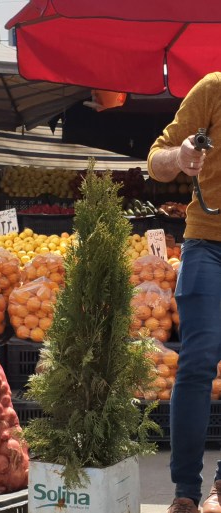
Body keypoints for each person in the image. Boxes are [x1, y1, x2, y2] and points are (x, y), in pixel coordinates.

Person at [148, 72, 221, 513]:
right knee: (196, 365)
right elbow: (155, 159)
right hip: (206, 244)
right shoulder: (212, 90)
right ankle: (185, 493)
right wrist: (181, 155)